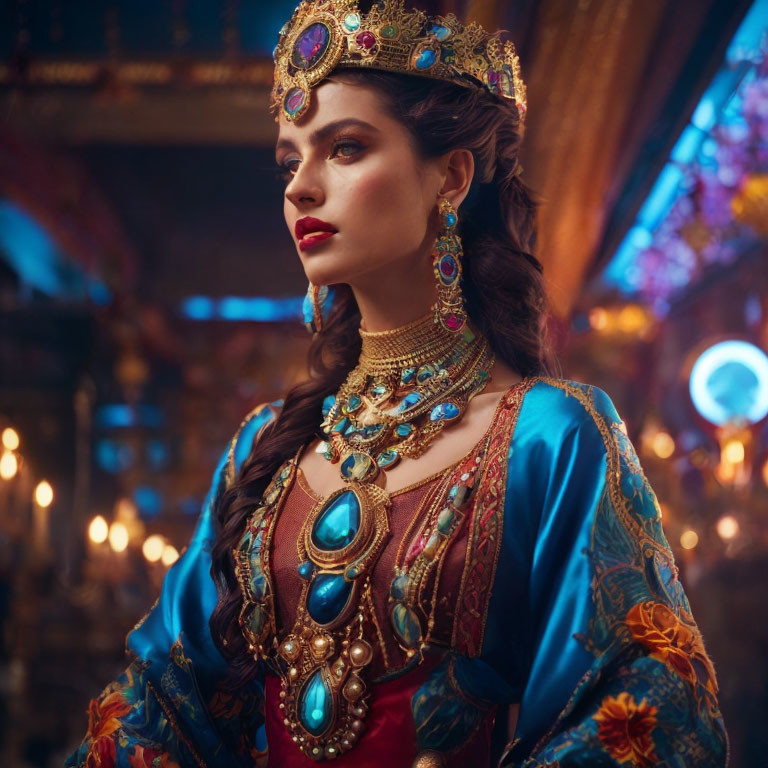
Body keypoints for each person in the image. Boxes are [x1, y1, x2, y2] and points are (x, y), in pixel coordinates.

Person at [67, 1, 727, 766]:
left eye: (344, 149)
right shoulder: (264, 447)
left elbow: (649, 710)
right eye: (290, 160)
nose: (300, 189)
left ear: (451, 175)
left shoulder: (551, 437)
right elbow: (159, 700)